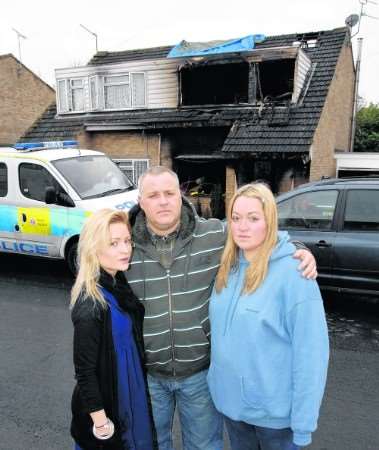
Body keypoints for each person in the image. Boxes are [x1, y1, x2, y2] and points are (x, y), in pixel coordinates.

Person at [126, 166, 317, 450]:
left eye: (169, 193)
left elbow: (259, 230)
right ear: (141, 201)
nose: (163, 201)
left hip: (200, 375)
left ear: (180, 196)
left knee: (204, 446)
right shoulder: (124, 245)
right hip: (148, 375)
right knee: (149, 444)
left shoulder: (214, 234)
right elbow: (94, 256)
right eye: (153, 195)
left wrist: (298, 248)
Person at [207, 183, 329, 450]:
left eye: (253, 218)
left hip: (275, 420)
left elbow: (312, 355)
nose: (242, 227)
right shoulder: (227, 266)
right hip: (233, 410)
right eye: (236, 218)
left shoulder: (295, 275)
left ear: (269, 221)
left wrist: (303, 424)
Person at [70, 209, 155, 450]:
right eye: (114, 243)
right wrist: (101, 424)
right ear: (94, 248)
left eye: (127, 241)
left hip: (128, 391)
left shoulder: (116, 283)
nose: (125, 249)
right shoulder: (91, 302)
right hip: (111, 402)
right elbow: (84, 372)